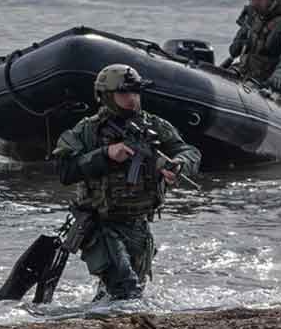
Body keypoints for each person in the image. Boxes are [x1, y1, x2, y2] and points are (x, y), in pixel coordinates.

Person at [52, 64, 200, 300]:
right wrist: (106, 155)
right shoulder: (88, 131)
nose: (132, 99)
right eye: (124, 93)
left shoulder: (153, 126)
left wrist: (180, 164)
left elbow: (189, 150)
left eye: (135, 92)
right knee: (125, 289)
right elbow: (64, 170)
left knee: (128, 291)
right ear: (107, 96)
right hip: (101, 224)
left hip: (139, 225)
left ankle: (101, 323)